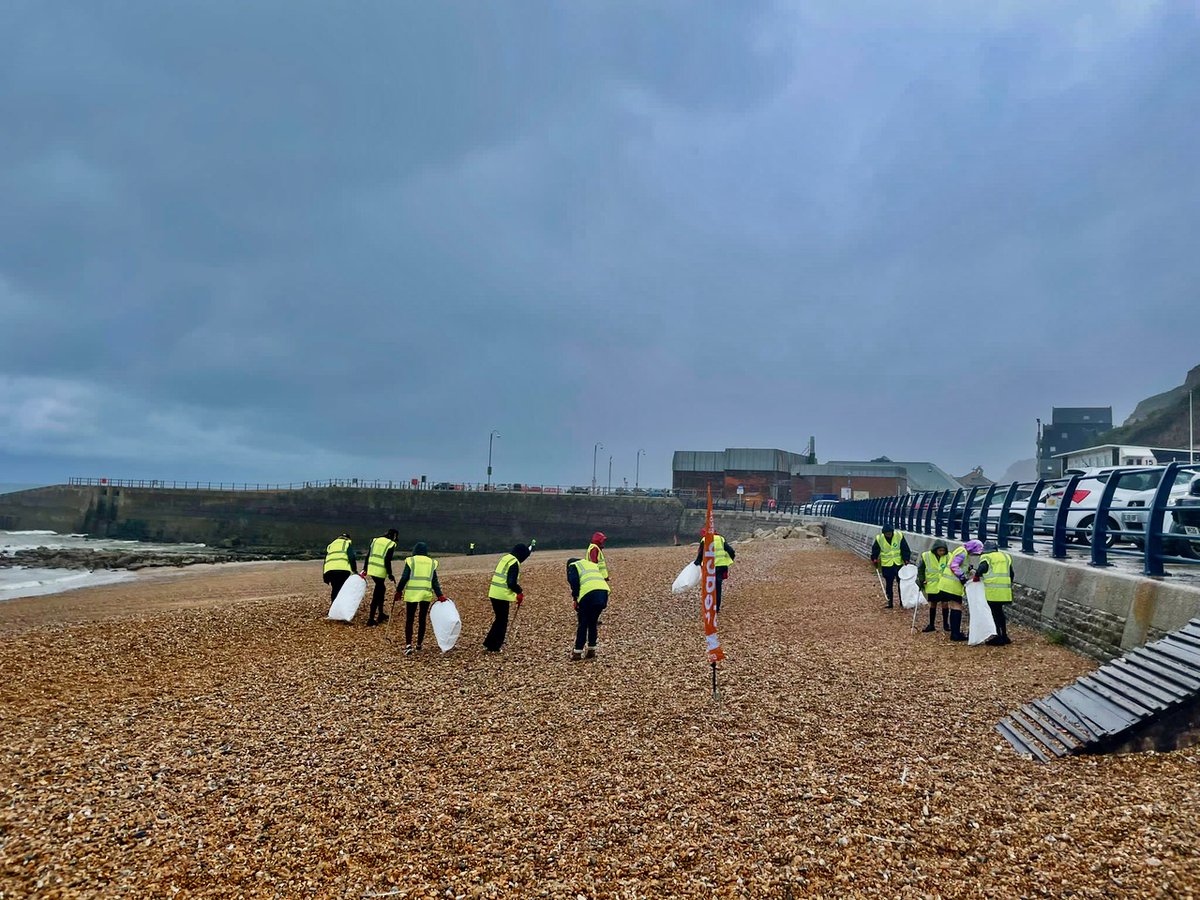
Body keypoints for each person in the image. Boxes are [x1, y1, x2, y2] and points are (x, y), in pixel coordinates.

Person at [395, 542, 446, 655]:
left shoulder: (411, 561)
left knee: (410, 619)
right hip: (425, 593)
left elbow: (404, 577)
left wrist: (399, 591)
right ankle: (419, 644)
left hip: (412, 593)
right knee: (422, 619)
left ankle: (408, 645)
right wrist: (440, 595)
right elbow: (434, 581)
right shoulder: (431, 562)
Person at [483, 543, 531, 652]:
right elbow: (511, 583)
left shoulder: (506, 558)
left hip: (494, 592)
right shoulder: (514, 562)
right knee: (502, 621)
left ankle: (489, 642)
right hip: (502, 595)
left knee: (499, 619)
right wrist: (519, 591)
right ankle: (494, 646)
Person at [939, 539, 983, 642]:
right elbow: (954, 566)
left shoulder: (962, 551)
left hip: (947, 584)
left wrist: (968, 568)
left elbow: (959, 565)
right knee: (957, 607)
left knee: (954, 607)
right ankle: (955, 634)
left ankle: (955, 633)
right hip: (952, 585)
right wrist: (962, 577)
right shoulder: (962, 552)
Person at [567, 556, 609, 660]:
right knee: (593, 622)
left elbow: (574, 582)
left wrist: (575, 598)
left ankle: (577, 652)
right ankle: (591, 650)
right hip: (603, 593)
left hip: (588, 595)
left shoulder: (573, 566)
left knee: (583, 622)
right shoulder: (590, 565)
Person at [975, 540, 1014, 646]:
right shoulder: (1005, 557)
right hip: (1005, 590)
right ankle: (1004, 635)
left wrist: (976, 576)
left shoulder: (986, 557)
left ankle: (998, 636)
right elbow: (1011, 574)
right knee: (1000, 613)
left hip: (993, 591)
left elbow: (981, 570)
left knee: (994, 613)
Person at [362, 528, 398, 627]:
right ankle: (371, 619)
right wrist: (390, 574)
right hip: (380, 571)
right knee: (377, 594)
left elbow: (368, 555)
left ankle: (380, 614)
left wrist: (365, 568)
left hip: (371, 569)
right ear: (394, 536)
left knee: (381, 590)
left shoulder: (375, 540)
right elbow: (387, 560)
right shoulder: (391, 544)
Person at [870, 526, 911, 608]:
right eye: (886, 534)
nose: (888, 535)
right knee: (889, 584)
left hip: (898, 563)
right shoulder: (879, 539)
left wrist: (906, 559)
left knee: (901, 583)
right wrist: (874, 558)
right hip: (887, 565)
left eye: (889, 533)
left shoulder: (899, 536)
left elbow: (905, 548)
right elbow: (875, 549)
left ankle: (902, 601)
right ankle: (890, 602)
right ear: (884, 534)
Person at [693, 532, 736, 612]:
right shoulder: (720, 538)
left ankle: (708, 606)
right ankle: (716, 608)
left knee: (708, 587)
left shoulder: (705, 539)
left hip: (709, 568)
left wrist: (697, 563)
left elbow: (701, 553)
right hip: (721, 566)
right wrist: (731, 559)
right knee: (718, 588)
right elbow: (731, 550)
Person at [918, 540, 950, 633]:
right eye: (940, 551)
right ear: (935, 550)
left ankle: (946, 624)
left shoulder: (948, 556)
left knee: (945, 604)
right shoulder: (926, 556)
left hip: (944, 585)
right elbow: (921, 569)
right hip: (932, 585)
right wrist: (921, 579)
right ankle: (931, 624)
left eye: (943, 551)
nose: (942, 553)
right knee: (933, 604)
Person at [322, 532, 358, 604]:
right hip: (342, 570)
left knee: (335, 588)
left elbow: (327, 559)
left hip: (330, 570)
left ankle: (334, 607)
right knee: (342, 588)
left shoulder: (331, 545)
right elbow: (351, 557)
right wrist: (354, 570)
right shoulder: (347, 543)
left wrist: (325, 574)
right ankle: (341, 608)